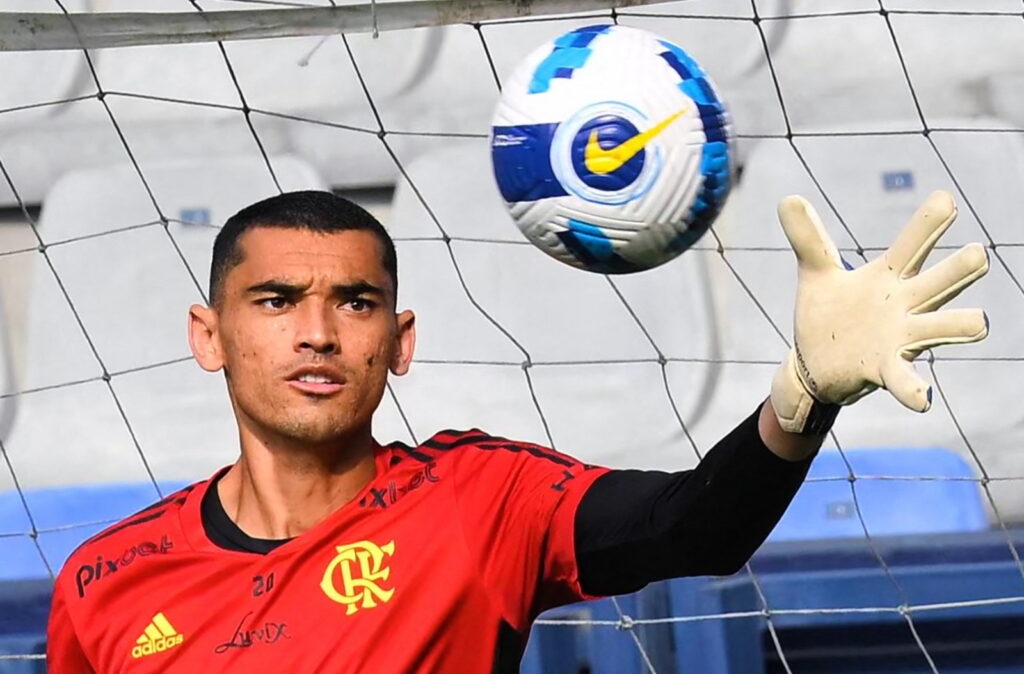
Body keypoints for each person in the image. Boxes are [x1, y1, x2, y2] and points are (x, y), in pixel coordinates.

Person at [46, 189, 989, 672]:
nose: (318, 332)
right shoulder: (106, 582)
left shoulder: (476, 500)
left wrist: (802, 393)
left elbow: (693, 526)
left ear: (399, 340)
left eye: (356, 302)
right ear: (209, 335)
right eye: (276, 300)